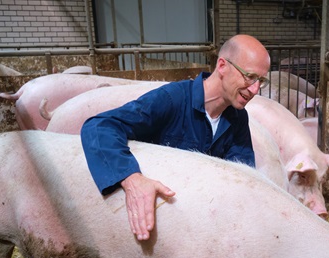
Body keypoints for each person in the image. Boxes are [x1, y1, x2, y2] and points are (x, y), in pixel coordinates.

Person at [81, 34, 271, 241]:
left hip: (196, 229)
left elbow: (242, 172)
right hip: (154, 228)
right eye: (249, 76)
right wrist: (132, 178)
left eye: (261, 80)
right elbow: (100, 126)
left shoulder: (238, 118)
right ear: (223, 66)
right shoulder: (172, 99)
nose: (255, 90)